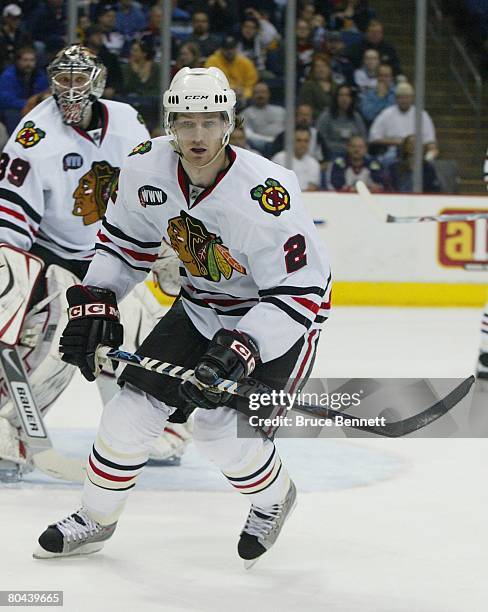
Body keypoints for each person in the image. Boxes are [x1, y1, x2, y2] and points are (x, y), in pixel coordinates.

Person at [34, 67, 331, 566]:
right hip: (199, 306)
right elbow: (123, 248)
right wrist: (95, 301)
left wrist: (243, 347)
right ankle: (95, 517)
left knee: (217, 430)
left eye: (210, 121)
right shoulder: (144, 167)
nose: (198, 136)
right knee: (128, 413)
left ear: (229, 122)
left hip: (277, 321)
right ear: (170, 122)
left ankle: (273, 497)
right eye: (186, 122)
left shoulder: (267, 192)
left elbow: (301, 291)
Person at [0, 45, 183, 482]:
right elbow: (9, 221)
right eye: (62, 78)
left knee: (144, 329)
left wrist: (166, 242)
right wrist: (12, 285)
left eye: (79, 78)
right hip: (52, 257)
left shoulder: (125, 121)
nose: (70, 88)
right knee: (66, 331)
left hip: (112, 256)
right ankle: (9, 428)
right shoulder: (34, 135)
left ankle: (139, 430)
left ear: (98, 80)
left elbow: (151, 186)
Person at [369, 82, 438, 165]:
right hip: (392, 154)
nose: (404, 100)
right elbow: (373, 137)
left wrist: (428, 158)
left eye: (407, 97)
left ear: (412, 98)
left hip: (416, 155)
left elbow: (430, 142)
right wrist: (400, 143)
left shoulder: (422, 115)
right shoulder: (387, 114)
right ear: (396, 98)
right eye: (401, 97)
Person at [0, 46, 48, 133]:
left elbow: (44, 94)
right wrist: (28, 104)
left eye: (32, 60)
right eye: (25, 60)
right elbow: (6, 99)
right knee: (12, 114)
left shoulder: (40, 75)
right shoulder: (8, 75)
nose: (29, 63)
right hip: (14, 108)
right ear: (18, 61)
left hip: (33, 107)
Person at [316, 84, 367, 160]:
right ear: (336, 98)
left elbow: (363, 137)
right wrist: (343, 148)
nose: (344, 98)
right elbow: (321, 138)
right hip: (331, 154)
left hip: (354, 154)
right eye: (341, 95)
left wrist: (354, 148)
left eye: (347, 95)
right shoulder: (326, 116)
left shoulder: (356, 117)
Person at [205, 36, 258, 107]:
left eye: (232, 48)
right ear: (221, 49)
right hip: (220, 96)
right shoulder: (212, 61)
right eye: (226, 48)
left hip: (242, 97)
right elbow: (210, 82)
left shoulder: (245, 62)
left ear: (236, 48)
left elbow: (251, 84)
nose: (229, 51)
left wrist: (244, 94)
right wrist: (231, 91)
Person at [241, 81, 285, 154]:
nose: (260, 95)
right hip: (261, 145)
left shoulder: (281, 111)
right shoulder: (246, 114)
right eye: (257, 93)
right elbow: (247, 134)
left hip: (282, 143)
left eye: (263, 92)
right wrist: (270, 140)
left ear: (268, 94)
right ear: (252, 95)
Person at [272, 127, 321, 191]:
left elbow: (312, 188)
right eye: (299, 140)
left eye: (306, 141)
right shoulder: (279, 158)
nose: (303, 144)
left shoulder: (314, 163)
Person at [298, 53, 335, 119]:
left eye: (324, 66)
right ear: (313, 70)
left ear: (329, 69)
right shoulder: (308, 86)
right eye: (318, 66)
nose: (321, 69)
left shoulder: (336, 86)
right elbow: (307, 108)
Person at [0, 3, 32, 74]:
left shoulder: (22, 33)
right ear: (6, 18)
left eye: (18, 18)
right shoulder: (1, 35)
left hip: (20, 60)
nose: (17, 21)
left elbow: (29, 47)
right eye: (13, 18)